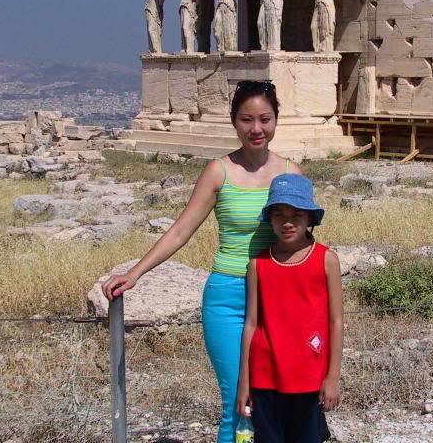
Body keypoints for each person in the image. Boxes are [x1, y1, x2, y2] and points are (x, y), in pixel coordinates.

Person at [101, 80, 303, 443]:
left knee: (277, 400)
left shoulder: (291, 173)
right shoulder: (218, 172)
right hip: (229, 295)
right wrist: (135, 273)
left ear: (276, 120)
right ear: (233, 122)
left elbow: (304, 238)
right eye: (246, 119)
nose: (256, 129)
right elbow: (181, 231)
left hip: (277, 294)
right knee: (237, 404)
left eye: (264, 119)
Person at [236, 174, 344, 443]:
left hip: (309, 375)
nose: (287, 222)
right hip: (265, 376)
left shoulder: (326, 260)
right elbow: (251, 324)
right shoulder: (258, 265)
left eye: (296, 215)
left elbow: (336, 322)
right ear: (269, 219)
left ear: (309, 218)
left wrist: (332, 377)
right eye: (278, 215)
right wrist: (244, 383)